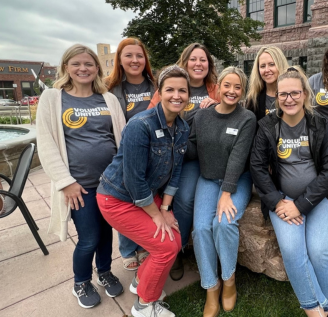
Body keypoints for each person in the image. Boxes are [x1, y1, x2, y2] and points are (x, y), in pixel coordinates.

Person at [36, 44, 127, 308]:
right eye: (76, 64)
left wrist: (123, 177)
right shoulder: (53, 99)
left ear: (97, 68)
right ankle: (81, 281)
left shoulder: (108, 99)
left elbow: (120, 138)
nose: (83, 68)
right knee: (89, 238)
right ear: (66, 67)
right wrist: (66, 183)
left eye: (88, 64)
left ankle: (105, 272)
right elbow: (46, 143)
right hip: (79, 187)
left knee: (107, 233)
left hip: (110, 186)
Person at [97, 65, 190, 317]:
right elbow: (134, 180)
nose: (177, 95)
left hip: (148, 197)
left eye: (183, 90)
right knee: (166, 247)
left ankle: (141, 281)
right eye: (170, 89)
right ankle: (144, 305)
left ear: (188, 95)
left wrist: (165, 208)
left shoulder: (182, 128)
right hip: (118, 198)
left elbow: (176, 172)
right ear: (159, 92)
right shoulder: (141, 124)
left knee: (175, 239)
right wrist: (156, 215)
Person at [250, 67, 328, 317]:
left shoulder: (320, 124)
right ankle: (318, 311)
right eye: (283, 94)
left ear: (304, 94)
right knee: (292, 251)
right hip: (282, 199)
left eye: (294, 93)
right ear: (276, 97)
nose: (289, 99)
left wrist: (301, 205)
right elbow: (257, 167)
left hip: (319, 198)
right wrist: (277, 201)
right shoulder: (267, 126)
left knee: (320, 251)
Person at [187, 67, 256, 317]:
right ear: (218, 86)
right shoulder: (202, 116)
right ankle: (211, 286)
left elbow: (238, 157)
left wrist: (226, 192)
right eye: (227, 85)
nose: (232, 91)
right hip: (207, 179)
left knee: (223, 223)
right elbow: (192, 148)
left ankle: (229, 279)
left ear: (243, 90)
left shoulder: (246, 118)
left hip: (237, 180)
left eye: (238, 87)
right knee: (202, 229)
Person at [148, 43, 220, 280]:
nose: (198, 64)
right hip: (179, 156)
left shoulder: (215, 89)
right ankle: (176, 248)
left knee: (197, 201)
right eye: (193, 59)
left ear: (209, 65)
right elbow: (153, 117)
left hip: (207, 157)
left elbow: (231, 112)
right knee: (182, 197)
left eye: (203, 60)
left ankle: (191, 247)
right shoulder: (173, 86)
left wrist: (217, 105)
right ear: (185, 62)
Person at [105, 37, 157, 271]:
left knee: (147, 199)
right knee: (126, 201)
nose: (135, 60)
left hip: (154, 153)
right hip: (125, 153)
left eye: (139, 56)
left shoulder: (155, 85)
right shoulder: (110, 89)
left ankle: (144, 245)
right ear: (120, 60)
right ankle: (127, 249)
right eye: (129, 55)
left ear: (145, 60)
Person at [245, 46, 290, 121]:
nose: (267, 70)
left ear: (280, 65)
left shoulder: (294, 95)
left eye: (272, 64)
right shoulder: (253, 100)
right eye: (262, 66)